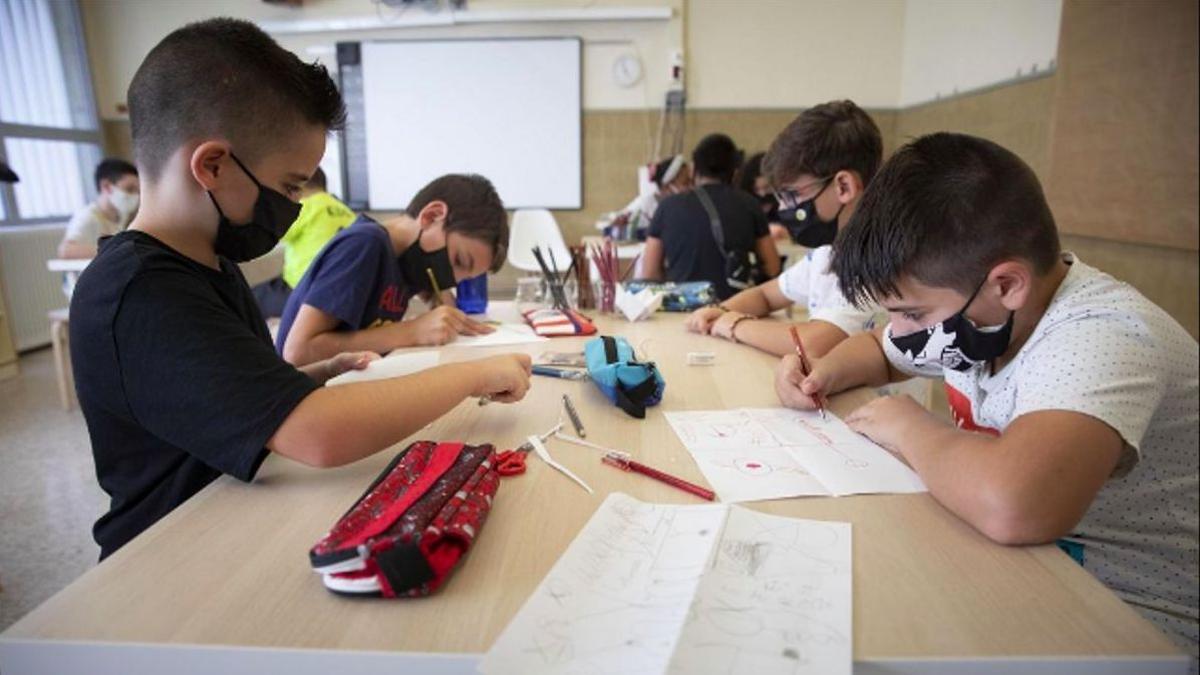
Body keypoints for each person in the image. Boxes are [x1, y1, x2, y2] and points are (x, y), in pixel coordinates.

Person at [69, 18, 531, 560]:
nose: (292, 208)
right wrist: (476, 373)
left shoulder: (209, 266)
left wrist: (310, 376)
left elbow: (230, 397)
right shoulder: (139, 291)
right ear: (212, 165)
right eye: (289, 187)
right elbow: (317, 434)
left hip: (231, 518)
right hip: (165, 554)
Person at [776, 132, 1198, 665]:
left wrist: (910, 426)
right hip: (1030, 572)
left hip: (1137, 621)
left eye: (912, 313)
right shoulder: (985, 314)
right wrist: (820, 372)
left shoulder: (1102, 336)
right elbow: (881, 351)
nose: (900, 330)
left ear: (1007, 284)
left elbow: (1016, 505)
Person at [686, 101, 883, 358]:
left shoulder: (879, 259)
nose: (783, 208)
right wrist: (720, 311)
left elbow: (813, 344)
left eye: (792, 195)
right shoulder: (828, 253)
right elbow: (766, 295)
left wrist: (735, 325)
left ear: (843, 186)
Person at [276, 173, 505, 367]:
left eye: (466, 277)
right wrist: (412, 332)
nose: (454, 279)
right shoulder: (365, 245)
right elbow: (298, 352)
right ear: (432, 216)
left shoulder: (409, 262)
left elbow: (443, 305)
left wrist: (445, 306)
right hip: (305, 395)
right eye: (459, 261)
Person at [641, 133, 780, 300]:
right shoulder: (750, 204)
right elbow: (772, 266)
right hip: (735, 306)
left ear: (694, 169)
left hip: (683, 306)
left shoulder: (667, 206)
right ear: (735, 171)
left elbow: (650, 273)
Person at [250, 167, 355, 317]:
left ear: (297, 188)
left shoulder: (304, 207)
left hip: (305, 289)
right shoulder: (346, 210)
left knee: (250, 298)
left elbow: (273, 233)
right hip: (341, 288)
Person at [58, 158, 140, 259]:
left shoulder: (122, 216)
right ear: (106, 186)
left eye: (137, 191)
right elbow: (65, 251)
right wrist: (114, 251)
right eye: (129, 189)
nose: (135, 196)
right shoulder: (88, 216)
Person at [607, 154, 691, 240]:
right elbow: (612, 230)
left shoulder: (684, 206)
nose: (691, 187)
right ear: (666, 186)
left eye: (692, 182)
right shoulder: (644, 205)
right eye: (686, 183)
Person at [736, 152, 786, 242]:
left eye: (767, 187)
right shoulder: (743, 202)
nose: (762, 194)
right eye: (756, 189)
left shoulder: (786, 199)